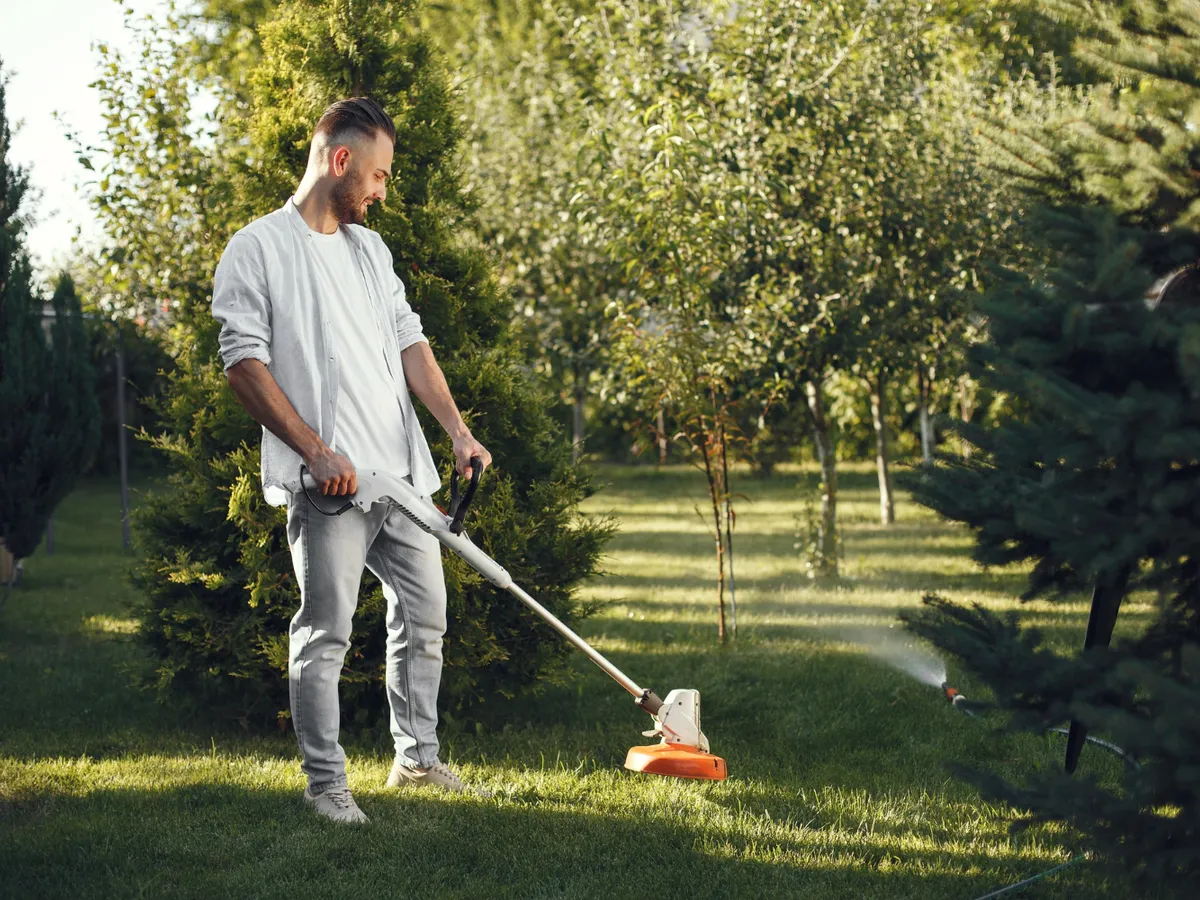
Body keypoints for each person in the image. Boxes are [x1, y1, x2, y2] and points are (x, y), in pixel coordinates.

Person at [211, 97, 493, 824]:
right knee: (325, 632)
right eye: (377, 175)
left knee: (425, 617)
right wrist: (314, 450)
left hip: (398, 480)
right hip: (329, 485)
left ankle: (417, 761)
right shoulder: (259, 247)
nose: (381, 190)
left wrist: (457, 431)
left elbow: (410, 343)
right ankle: (327, 784)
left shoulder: (371, 253)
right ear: (340, 161)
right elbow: (243, 362)